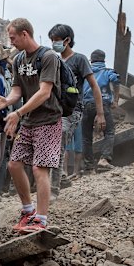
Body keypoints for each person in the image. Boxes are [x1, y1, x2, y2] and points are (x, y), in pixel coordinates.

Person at [0, 18, 63, 233]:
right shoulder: (19, 60)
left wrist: (18, 112)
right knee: (14, 165)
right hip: (29, 121)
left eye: (13, 37)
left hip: (49, 120)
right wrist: (7, 101)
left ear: (25, 34)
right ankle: (28, 211)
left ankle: (41, 218)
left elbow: (44, 92)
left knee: (39, 169)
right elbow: (17, 90)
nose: (11, 42)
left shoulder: (48, 57)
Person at [47, 24, 105, 199]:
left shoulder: (79, 59)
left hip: (72, 110)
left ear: (67, 40)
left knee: (58, 141)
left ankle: (53, 191)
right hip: (53, 110)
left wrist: (100, 113)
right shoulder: (54, 61)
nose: (53, 44)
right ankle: (62, 178)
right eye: (52, 41)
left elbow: (94, 86)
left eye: (56, 40)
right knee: (53, 145)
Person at [82, 50, 120, 174]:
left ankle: (89, 167)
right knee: (109, 131)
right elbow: (116, 81)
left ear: (91, 60)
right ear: (103, 60)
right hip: (103, 105)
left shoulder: (85, 73)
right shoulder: (107, 71)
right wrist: (116, 100)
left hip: (86, 105)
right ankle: (104, 159)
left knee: (86, 136)